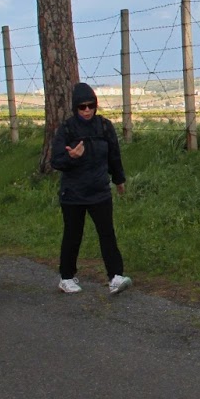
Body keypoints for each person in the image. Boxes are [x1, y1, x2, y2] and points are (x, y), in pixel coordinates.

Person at [51, 82, 130, 295]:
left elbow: (114, 155)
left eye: (91, 106)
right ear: (75, 108)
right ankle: (66, 277)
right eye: (82, 107)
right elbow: (56, 161)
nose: (87, 110)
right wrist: (71, 157)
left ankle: (116, 276)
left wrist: (119, 180)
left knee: (107, 233)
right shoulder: (67, 129)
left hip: (99, 191)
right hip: (73, 193)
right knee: (73, 235)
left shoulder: (104, 127)